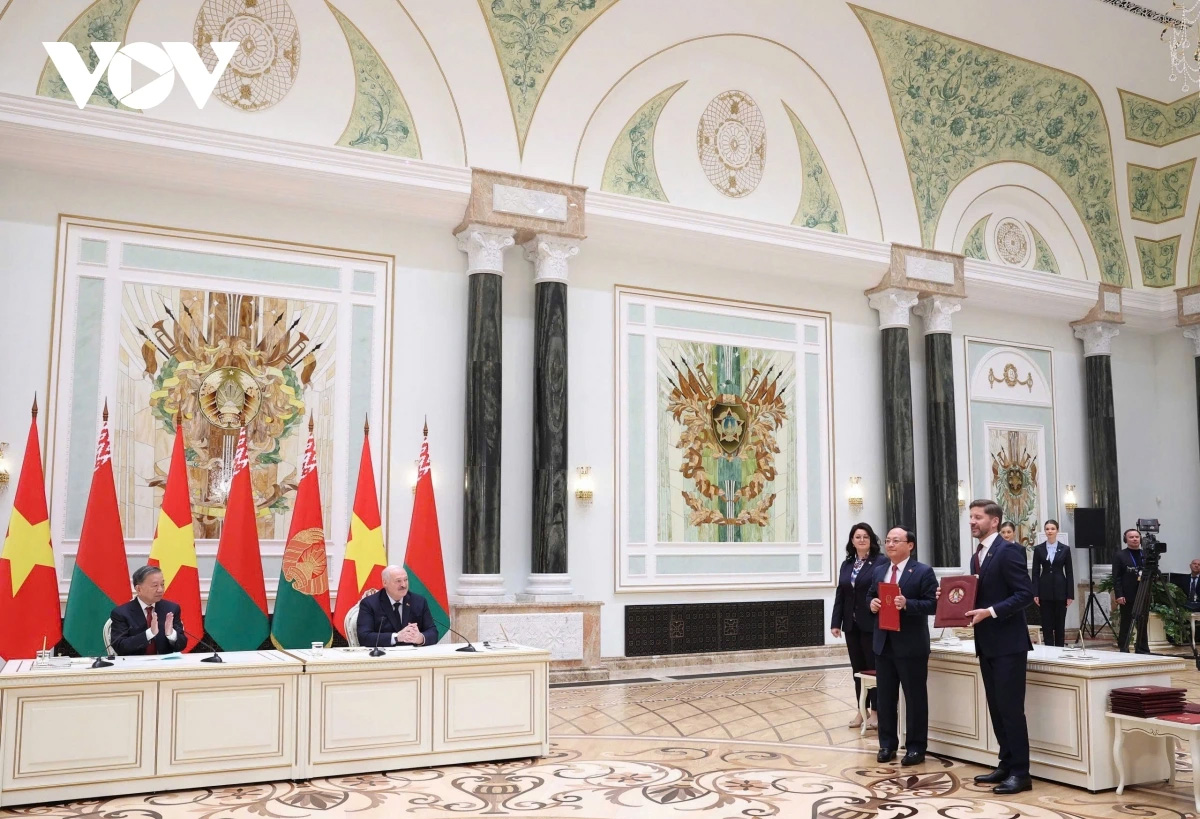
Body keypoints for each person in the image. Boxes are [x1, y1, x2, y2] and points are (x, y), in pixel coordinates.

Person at [964, 499, 1035, 794]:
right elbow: (978, 595)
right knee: (996, 708)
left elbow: (1025, 594)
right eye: (970, 517)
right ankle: (1005, 763)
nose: (972, 522)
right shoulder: (977, 556)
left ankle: (1021, 773)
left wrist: (991, 612)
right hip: (987, 644)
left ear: (994, 521)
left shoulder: (1009, 551)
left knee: (1011, 709)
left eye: (977, 517)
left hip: (1009, 645)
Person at [867, 527, 938, 767]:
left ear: (910, 545)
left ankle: (916, 747)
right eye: (887, 540)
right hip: (883, 644)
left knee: (915, 699)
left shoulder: (923, 572)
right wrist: (872, 604)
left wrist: (908, 604)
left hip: (911, 646)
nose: (890, 544)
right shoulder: (880, 570)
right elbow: (869, 596)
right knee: (885, 698)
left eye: (896, 540)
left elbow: (933, 604)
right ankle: (887, 745)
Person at [830, 522, 885, 730]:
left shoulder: (880, 562)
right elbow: (841, 594)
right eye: (857, 537)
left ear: (871, 540)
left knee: (873, 669)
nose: (861, 540)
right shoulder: (847, 564)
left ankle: (876, 712)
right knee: (857, 670)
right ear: (852, 541)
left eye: (865, 536)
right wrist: (836, 622)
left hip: (871, 623)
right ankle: (861, 710)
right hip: (851, 625)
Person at [109, 565, 188, 655]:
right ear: (139, 589)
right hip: (134, 663)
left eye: (162, 584)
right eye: (155, 585)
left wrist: (171, 635)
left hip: (164, 663)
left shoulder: (171, 608)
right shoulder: (121, 613)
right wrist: (149, 634)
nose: (160, 589)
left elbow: (182, 645)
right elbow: (119, 646)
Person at [356, 565, 438, 648]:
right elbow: (364, 637)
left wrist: (420, 638)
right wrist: (396, 637)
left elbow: (433, 632)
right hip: (384, 654)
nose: (403, 585)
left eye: (405, 580)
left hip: (413, 654)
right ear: (385, 583)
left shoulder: (418, 602)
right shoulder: (370, 604)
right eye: (398, 581)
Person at [1031, 519, 1074, 647]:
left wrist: (1070, 594)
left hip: (1061, 589)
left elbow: (1069, 572)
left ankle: (1060, 648)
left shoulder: (1065, 549)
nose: (1050, 531)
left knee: (1060, 623)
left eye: (1052, 529)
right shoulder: (1039, 549)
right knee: (1046, 624)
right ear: (1044, 531)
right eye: (1047, 529)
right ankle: (1049, 649)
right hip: (1044, 590)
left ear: (1057, 530)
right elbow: (1035, 572)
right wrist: (1035, 592)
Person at [1112, 529, 1144, 651]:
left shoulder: (1145, 555)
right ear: (1126, 539)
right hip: (1127, 594)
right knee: (1126, 622)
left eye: (1137, 537)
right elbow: (1116, 577)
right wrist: (1119, 594)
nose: (1135, 539)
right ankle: (1124, 648)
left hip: (1143, 593)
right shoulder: (1120, 555)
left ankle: (1142, 648)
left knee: (1142, 623)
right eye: (1131, 537)